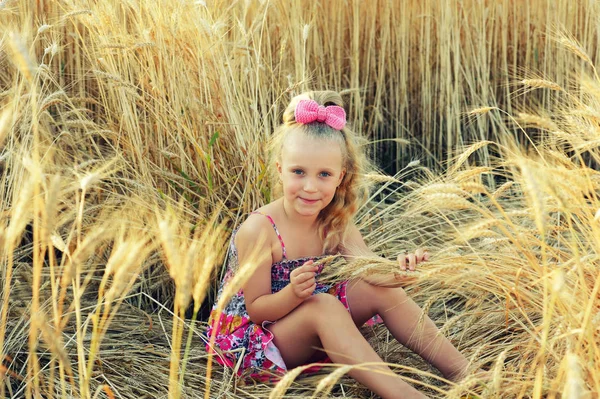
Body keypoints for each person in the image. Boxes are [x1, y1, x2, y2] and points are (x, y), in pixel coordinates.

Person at [206, 91, 474, 399]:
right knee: (323, 305)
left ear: (340, 177)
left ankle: (464, 373)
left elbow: (370, 271)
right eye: (298, 172)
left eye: (324, 174)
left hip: (312, 329)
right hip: (258, 346)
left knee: (379, 290)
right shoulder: (260, 230)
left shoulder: (334, 220)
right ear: (280, 170)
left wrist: (400, 273)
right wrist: (293, 293)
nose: (310, 186)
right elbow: (257, 311)